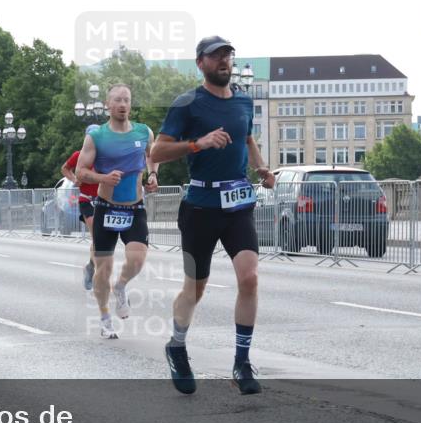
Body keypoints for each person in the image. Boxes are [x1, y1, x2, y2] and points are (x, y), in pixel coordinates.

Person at [150, 36, 275, 396]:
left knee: (249, 278)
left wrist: (262, 168)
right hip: (201, 205)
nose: (224, 60)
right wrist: (197, 144)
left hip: (237, 203)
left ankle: (241, 360)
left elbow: (247, 139)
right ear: (200, 63)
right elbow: (157, 150)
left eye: (228, 55)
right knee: (195, 288)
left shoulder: (243, 100)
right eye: (216, 55)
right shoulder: (187, 104)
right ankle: (176, 345)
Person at [76, 85, 158, 339]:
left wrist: (153, 174)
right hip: (106, 208)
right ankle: (104, 318)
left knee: (137, 259)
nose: (123, 104)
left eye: (127, 100)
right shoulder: (97, 136)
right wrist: (103, 177)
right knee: (104, 268)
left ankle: (120, 287)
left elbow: (152, 156)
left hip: (135, 208)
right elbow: (80, 172)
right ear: (107, 104)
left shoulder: (143, 131)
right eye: (117, 100)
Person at [62, 123, 101, 290]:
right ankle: (99, 275)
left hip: (103, 200)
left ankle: (90, 267)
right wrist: (73, 179)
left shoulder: (105, 157)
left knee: (102, 240)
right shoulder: (79, 155)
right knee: (97, 238)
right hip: (87, 200)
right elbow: (65, 168)